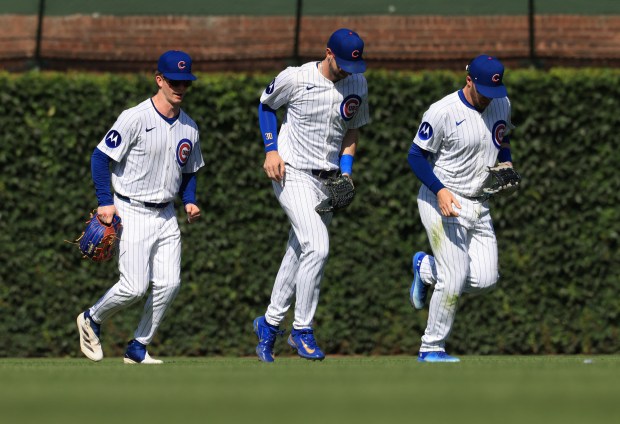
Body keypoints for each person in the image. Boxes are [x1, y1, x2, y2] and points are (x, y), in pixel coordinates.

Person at [76, 50, 204, 364]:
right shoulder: (135, 116)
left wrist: (189, 201)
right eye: (174, 81)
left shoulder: (190, 127)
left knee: (170, 284)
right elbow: (100, 157)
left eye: (185, 82)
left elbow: (190, 171)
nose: (180, 87)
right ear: (159, 80)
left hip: (166, 214)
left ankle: (138, 346)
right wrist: (105, 202)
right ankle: (91, 317)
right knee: (134, 288)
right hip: (131, 209)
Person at [253, 28, 370, 362]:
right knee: (318, 246)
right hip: (292, 173)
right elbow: (265, 106)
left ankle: (270, 324)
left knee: (299, 250)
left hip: (328, 180)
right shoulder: (296, 77)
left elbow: (351, 129)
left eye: (354, 64)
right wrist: (271, 150)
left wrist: (346, 172)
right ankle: (301, 329)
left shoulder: (357, 83)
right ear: (328, 53)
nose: (349, 69)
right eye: (344, 62)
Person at [407, 55, 515, 363]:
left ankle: (425, 269)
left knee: (485, 279)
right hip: (443, 198)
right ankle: (431, 347)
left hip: (479, 202)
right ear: (468, 80)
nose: (489, 98)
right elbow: (415, 156)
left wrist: (506, 161)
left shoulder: (501, 102)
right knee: (454, 276)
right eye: (483, 90)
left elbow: (502, 136)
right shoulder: (442, 111)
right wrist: (439, 189)